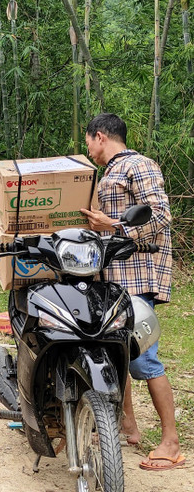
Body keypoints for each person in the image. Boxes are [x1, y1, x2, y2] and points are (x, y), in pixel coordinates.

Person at [80, 112, 186, 471]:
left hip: (138, 276)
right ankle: (127, 425)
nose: (87, 148)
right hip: (113, 279)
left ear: (100, 136)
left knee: (142, 357)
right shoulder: (108, 174)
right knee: (113, 350)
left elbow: (159, 216)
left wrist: (112, 224)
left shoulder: (139, 165)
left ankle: (170, 442)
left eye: (88, 141)